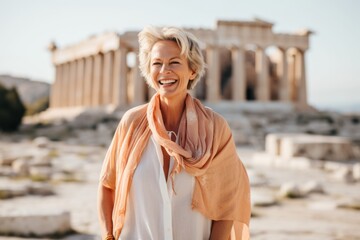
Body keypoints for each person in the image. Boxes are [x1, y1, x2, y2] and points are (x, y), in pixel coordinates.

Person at [98, 26, 251, 240]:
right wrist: (108, 236)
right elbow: (107, 186)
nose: (164, 71)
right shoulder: (131, 123)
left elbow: (227, 202)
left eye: (174, 62)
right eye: (157, 63)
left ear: (193, 70)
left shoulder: (215, 127)